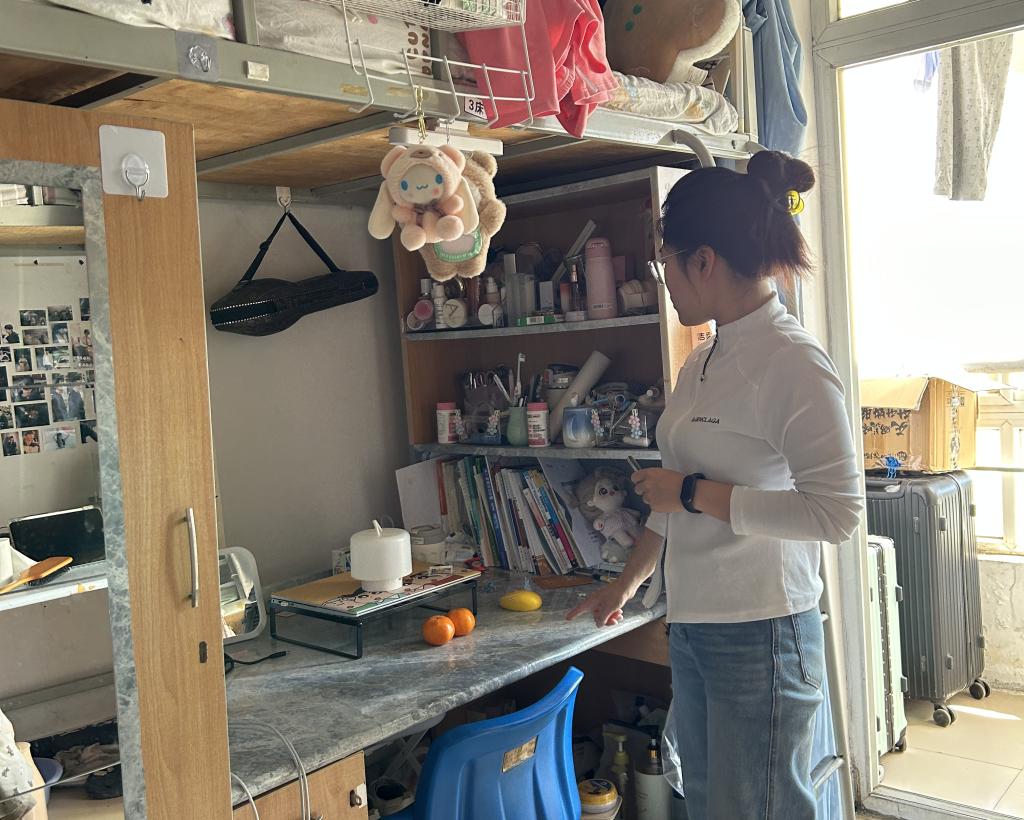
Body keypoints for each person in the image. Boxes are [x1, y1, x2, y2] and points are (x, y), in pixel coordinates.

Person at [567, 151, 863, 820]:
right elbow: (667, 499)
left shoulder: (792, 363)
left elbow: (837, 513)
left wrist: (695, 492)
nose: (663, 282)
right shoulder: (704, 357)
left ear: (703, 261)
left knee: (757, 809)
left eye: (664, 265)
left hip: (762, 630)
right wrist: (627, 584)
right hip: (696, 623)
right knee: (708, 803)